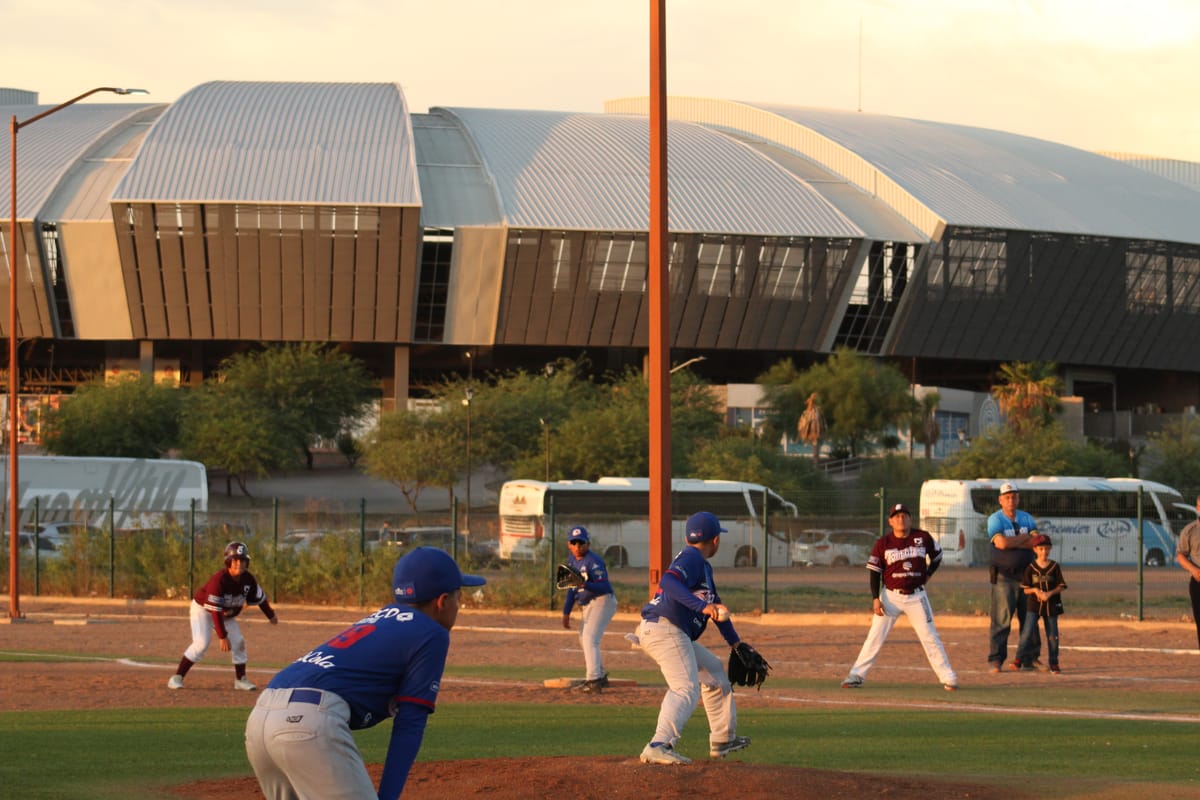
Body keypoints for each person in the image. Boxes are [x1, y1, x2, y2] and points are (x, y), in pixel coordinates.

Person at [245, 546, 486, 800]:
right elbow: (410, 723)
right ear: (442, 601)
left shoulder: (381, 618)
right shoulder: (432, 633)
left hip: (261, 717)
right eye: (459, 598)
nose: (459, 606)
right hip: (307, 723)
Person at [634, 511, 750, 765]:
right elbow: (669, 581)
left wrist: (735, 642)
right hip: (666, 630)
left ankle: (722, 739)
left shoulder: (702, 566)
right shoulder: (692, 558)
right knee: (685, 688)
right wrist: (700, 607)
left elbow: (716, 607)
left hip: (666, 630)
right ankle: (659, 744)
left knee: (714, 672)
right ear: (716, 540)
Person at [840, 503, 958, 691]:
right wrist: (875, 598)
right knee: (875, 636)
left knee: (930, 636)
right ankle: (856, 675)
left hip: (917, 597)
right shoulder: (883, 543)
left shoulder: (922, 537)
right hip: (890, 597)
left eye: (904, 516)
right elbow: (875, 572)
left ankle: (948, 677)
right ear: (890, 521)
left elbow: (937, 556)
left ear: (910, 519)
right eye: (896, 516)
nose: (901, 519)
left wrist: (928, 574)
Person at [167, 541, 278, 691]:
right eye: (236, 560)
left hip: (224, 613)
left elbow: (260, 599)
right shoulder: (219, 580)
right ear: (228, 561)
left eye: (243, 560)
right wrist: (222, 636)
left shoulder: (248, 579)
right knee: (201, 643)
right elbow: (215, 611)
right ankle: (177, 677)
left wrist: (270, 615)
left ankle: (241, 680)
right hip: (203, 610)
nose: (239, 563)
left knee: (238, 642)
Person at [986, 483, 1042, 672]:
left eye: (1014, 496)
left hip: (1028, 576)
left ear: (1018, 499)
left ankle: (1030, 658)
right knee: (1001, 620)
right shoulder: (995, 519)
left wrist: (1015, 542)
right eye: (1007, 497)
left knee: (1030, 619)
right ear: (1000, 500)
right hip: (1004, 576)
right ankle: (996, 659)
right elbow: (1000, 543)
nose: (1011, 500)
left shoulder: (1026, 517)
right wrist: (1023, 538)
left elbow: (1037, 543)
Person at [561, 525, 617, 692]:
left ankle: (594, 680)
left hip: (603, 600)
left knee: (589, 638)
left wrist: (584, 583)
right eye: (574, 543)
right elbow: (571, 590)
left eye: (581, 543)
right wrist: (566, 612)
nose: (578, 547)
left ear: (588, 544)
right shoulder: (571, 562)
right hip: (589, 604)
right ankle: (599, 674)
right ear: (568, 544)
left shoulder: (594, 561)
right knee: (584, 638)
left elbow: (605, 586)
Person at [1018, 534, 1067, 674]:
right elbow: (1026, 589)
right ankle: (1018, 659)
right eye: (1040, 549)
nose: (1043, 552)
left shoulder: (1054, 567)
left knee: (1053, 635)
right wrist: (1035, 590)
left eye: (1046, 549)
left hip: (1051, 605)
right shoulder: (1031, 567)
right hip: (1034, 605)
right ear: (1035, 549)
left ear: (1050, 549)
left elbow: (1061, 585)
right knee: (1027, 632)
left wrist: (1049, 593)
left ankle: (1054, 662)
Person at [1174, 495, 1200, 649]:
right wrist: (1194, 570)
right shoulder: (1190, 530)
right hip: (1198, 582)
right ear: (1197, 508)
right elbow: (1180, 555)